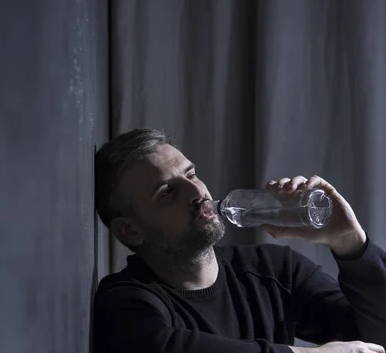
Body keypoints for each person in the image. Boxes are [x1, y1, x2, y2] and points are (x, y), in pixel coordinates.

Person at [92, 128, 386, 353]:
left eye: (191, 175)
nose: (197, 193)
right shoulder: (124, 301)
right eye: (168, 192)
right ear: (130, 230)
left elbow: (376, 336)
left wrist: (352, 244)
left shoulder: (274, 270)